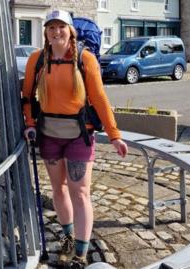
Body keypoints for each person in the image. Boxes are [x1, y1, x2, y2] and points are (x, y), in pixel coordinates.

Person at [21, 10, 128, 268]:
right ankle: (68, 238)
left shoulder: (85, 59)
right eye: (51, 28)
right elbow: (27, 97)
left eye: (61, 27)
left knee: (79, 192)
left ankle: (81, 252)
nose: (56, 32)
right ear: (45, 32)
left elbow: (100, 98)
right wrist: (30, 123)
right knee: (58, 190)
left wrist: (114, 135)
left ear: (71, 31)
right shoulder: (36, 60)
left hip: (79, 135)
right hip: (49, 136)